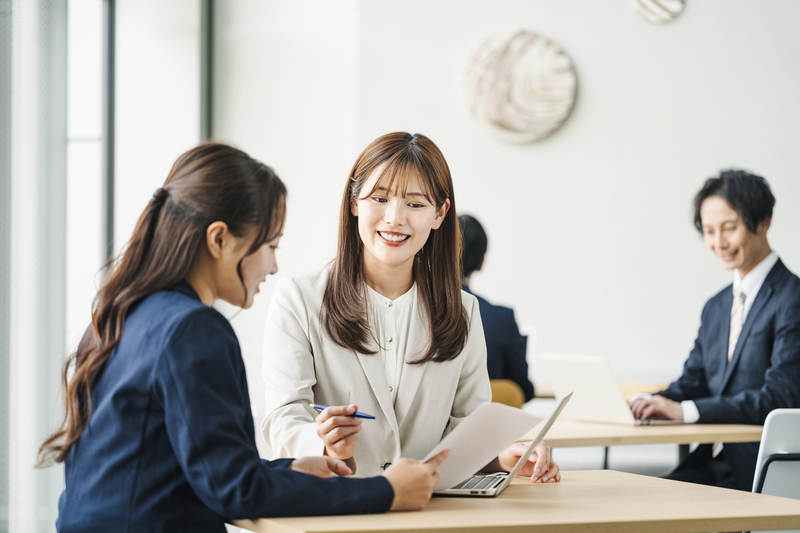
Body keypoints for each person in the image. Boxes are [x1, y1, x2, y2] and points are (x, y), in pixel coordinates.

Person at [37, 143, 449, 533]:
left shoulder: (120, 314)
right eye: (270, 245)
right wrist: (387, 491)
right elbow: (236, 491)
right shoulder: (193, 329)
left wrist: (284, 471)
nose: (272, 266)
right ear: (219, 240)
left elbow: (201, 469)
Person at [261, 132, 559, 483]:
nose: (394, 218)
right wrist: (322, 442)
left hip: (425, 511)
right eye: (380, 198)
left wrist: (501, 455)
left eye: (415, 204)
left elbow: (468, 429)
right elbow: (283, 418)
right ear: (354, 202)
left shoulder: (463, 311)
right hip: (336, 507)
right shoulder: (298, 298)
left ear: (439, 214)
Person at [629, 169, 800, 491]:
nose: (718, 243)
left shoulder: (793, 299)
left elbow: (780, 398)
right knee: (634, 501)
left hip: (765, 471)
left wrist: (685, 412)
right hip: (713, 463)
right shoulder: (717, 306)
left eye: (729, 228)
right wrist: (648, 402)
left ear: (763, 222)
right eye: (708, 231)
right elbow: (693, 382)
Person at [459, 214, 535, 402]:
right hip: (486, 428)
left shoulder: (412, 312)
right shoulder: (502, 319)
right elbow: (522, 389)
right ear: (481, 263)